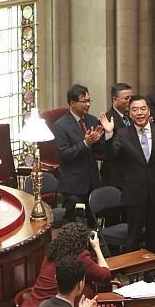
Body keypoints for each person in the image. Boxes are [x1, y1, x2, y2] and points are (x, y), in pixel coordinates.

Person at [99, 96, 155, 259]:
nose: (139, 113)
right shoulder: (123, 134)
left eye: (142, 109)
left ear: (149, 111)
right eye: (134, 109)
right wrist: (109, 134)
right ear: (129, 113)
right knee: (133, 235)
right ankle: (133, 269)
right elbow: (111, 156)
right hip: (134, 193)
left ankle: (152, 269)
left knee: (154, 235)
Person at [52, 84, 105, 222]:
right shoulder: (60, 126)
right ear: (72, 103)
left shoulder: (92, 120)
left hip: (92, 182)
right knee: (75, 226)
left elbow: (99, 149)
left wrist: (107, 135)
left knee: (92, 223)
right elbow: (65, 155)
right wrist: (85, 143)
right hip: (73, 186)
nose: (88, 104)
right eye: (84, 101)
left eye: (89, 100)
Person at [100, 82, 133, 190]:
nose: (129, 101)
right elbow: (107, 152)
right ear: (114, 99)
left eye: (131, 98)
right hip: (116, 175)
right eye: (126, 98)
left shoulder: (130, 117)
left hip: (131, 173)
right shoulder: (107, 120)